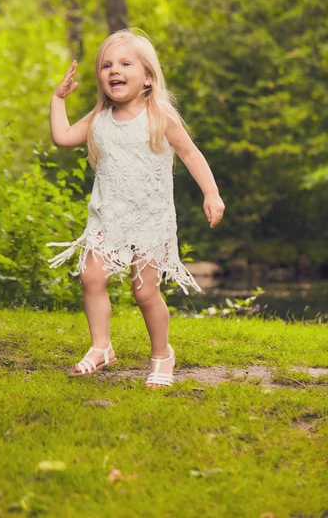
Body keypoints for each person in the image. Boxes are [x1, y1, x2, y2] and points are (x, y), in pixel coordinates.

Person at [46, 29, 225, 389]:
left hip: (150, 220)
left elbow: (190, 153)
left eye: (125, 63)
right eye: (106, 65)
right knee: (91, 277)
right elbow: (62, 137)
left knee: (145, 293)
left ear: (147, 77)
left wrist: (212, 193)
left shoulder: (160, 117)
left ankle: (162, 354)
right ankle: (101, 347)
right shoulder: (98, 120)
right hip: (108, 218)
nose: (114, 70)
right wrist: (58, 98)